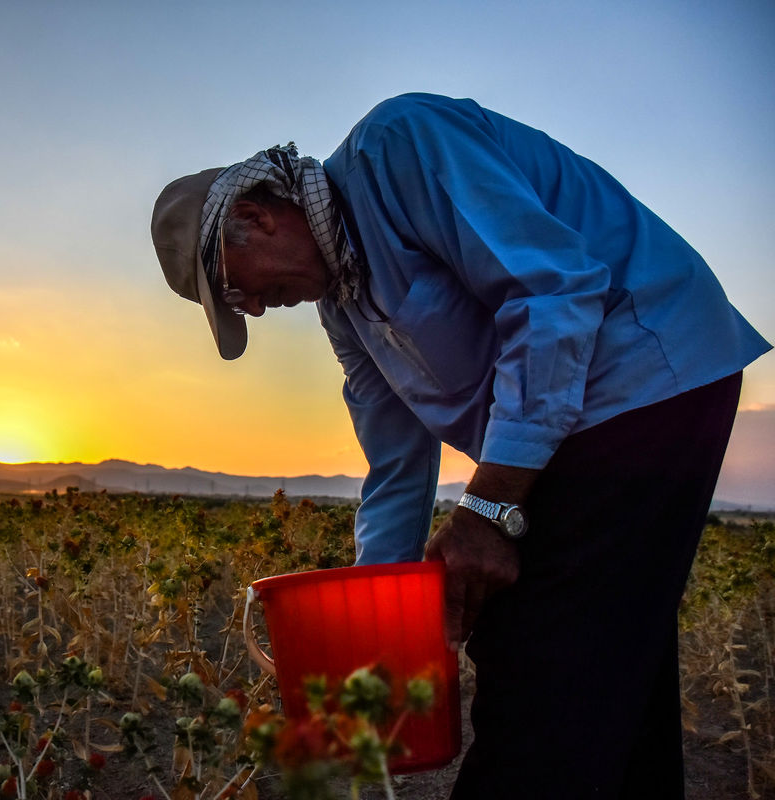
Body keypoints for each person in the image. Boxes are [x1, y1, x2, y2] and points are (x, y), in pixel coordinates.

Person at [150, 93, 770, 799]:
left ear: (256, 218)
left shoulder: (400, 147)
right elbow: (396, 462)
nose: (255, 311)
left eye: (236, 290)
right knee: (611, 663)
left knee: (532, 655)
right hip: (575, 422)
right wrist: (370, 632)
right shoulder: (345, 304)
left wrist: (488, 512)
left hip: (646, 372)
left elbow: (553, 294)